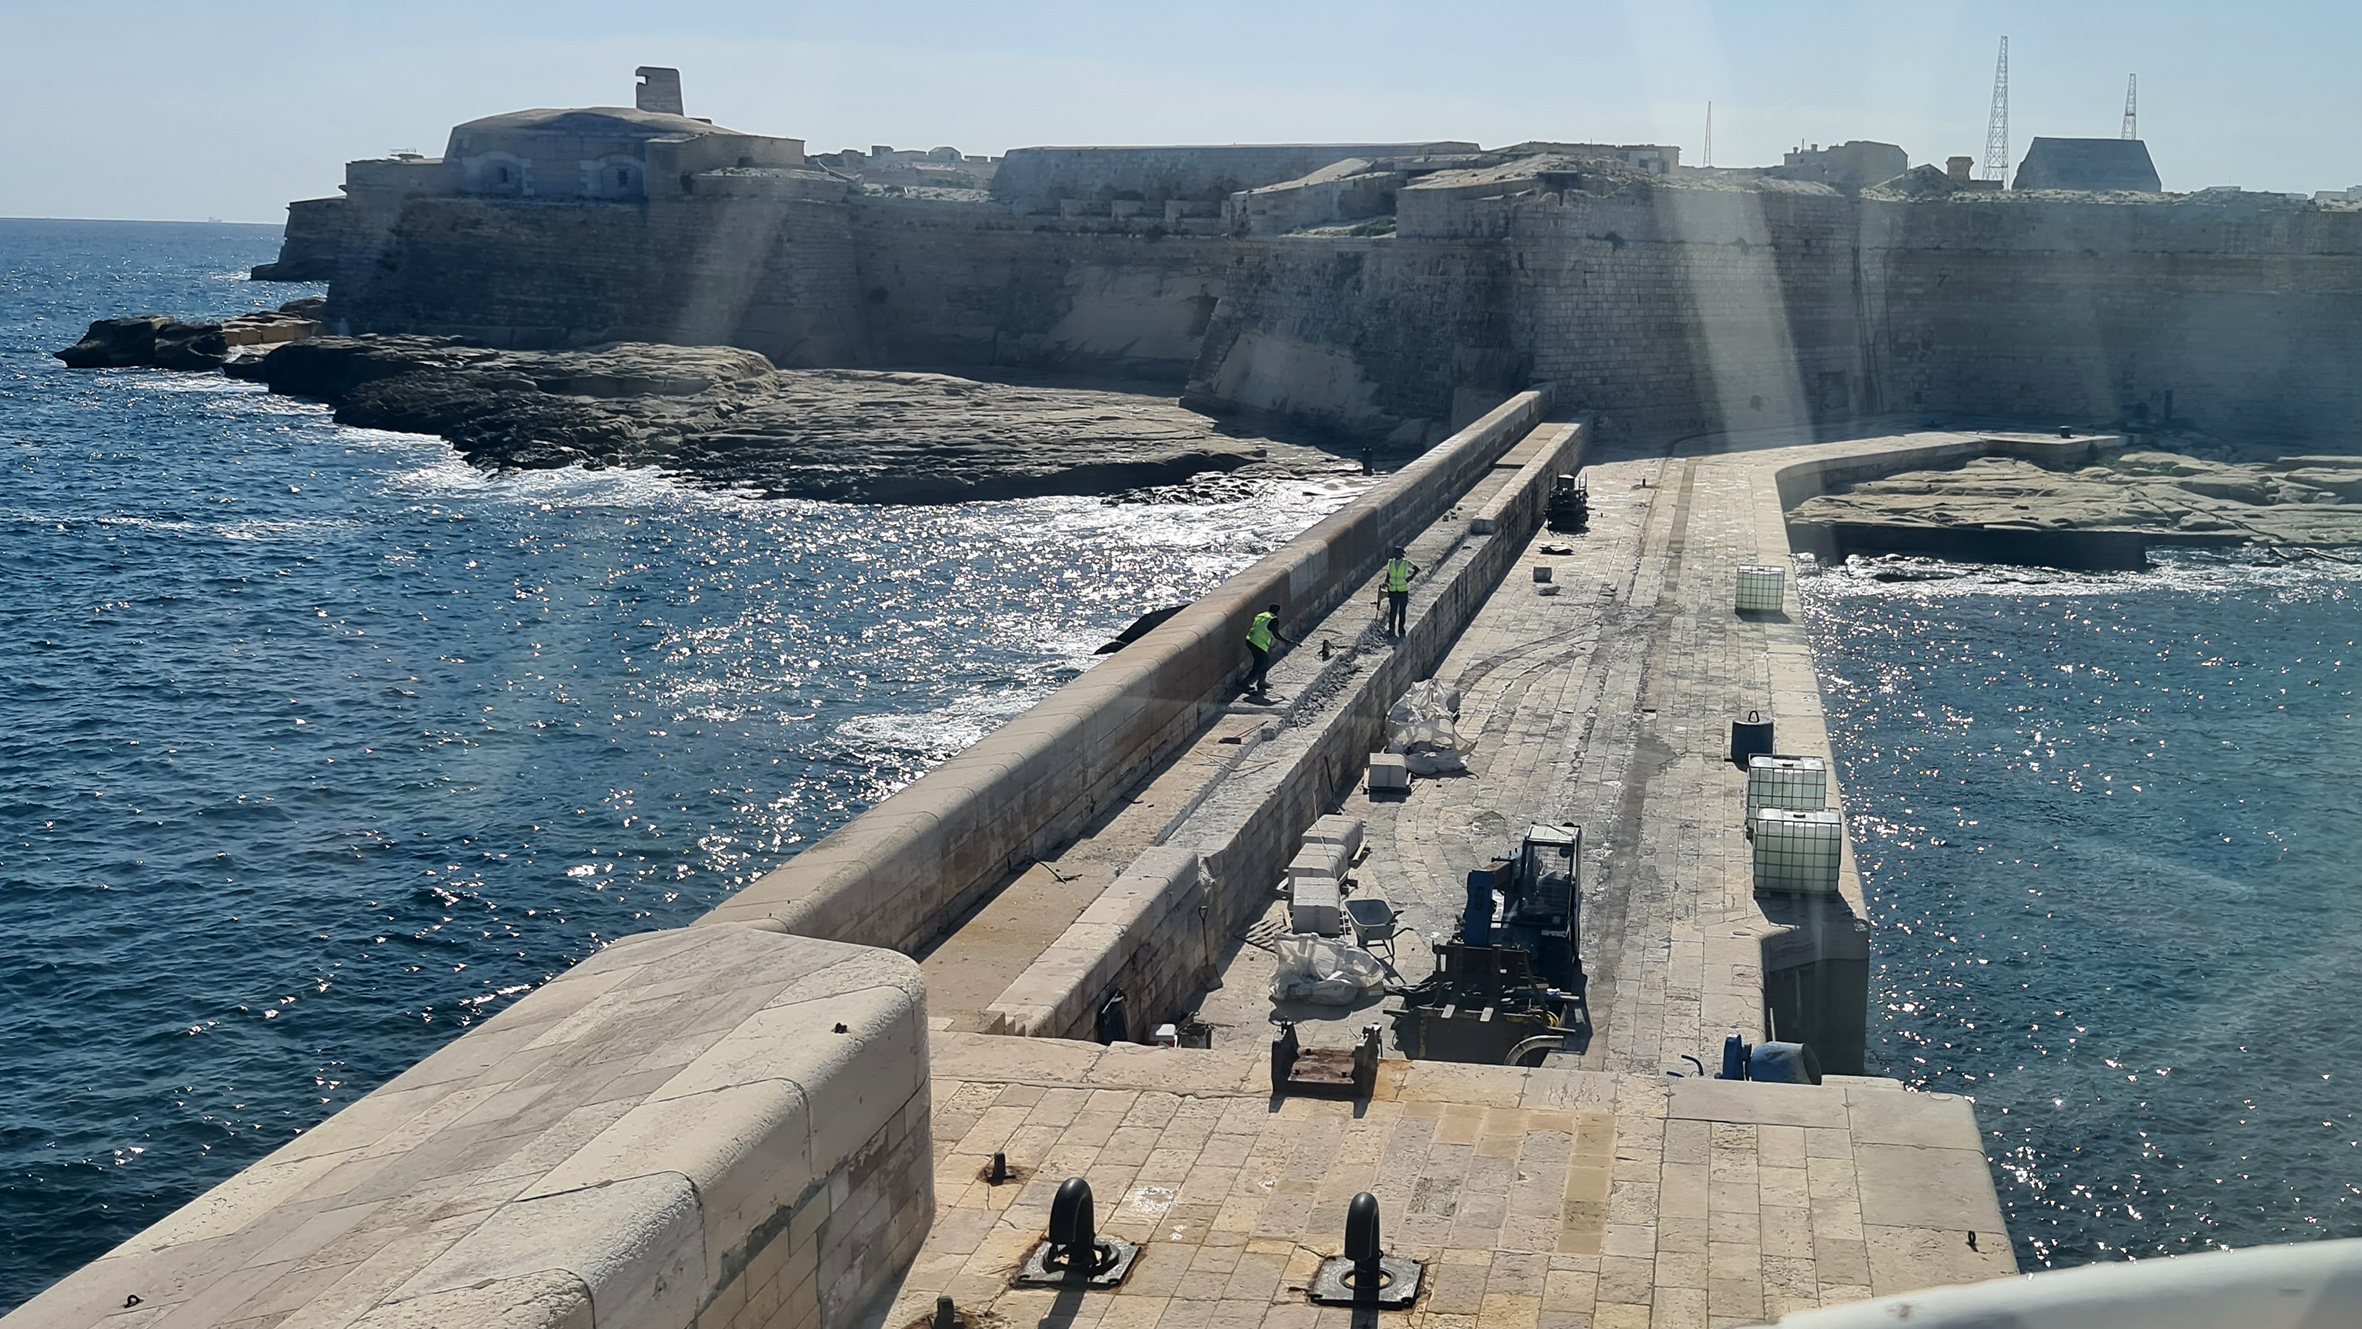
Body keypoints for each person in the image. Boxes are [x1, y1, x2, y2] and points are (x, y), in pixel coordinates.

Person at [1245, 603, 1290, 694]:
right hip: (1258, 643)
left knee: (1265, 660)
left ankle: (1261, 681)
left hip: (1250, 639)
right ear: (1278, 611)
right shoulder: (1273, 619)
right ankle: (1245, 683)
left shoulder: (1262, 615)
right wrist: (1286, 641)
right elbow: (1276, 634)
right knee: (1259, 664)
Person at [1381, 546, 1420, 636]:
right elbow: (1389, 573)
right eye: (1395, 553)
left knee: (1402, 611)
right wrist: (1386, 581)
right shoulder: (1390, 563)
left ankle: (1401, 629)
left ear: (1401, 554)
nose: (1396, 555)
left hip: (1403, 590)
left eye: (1398, 553)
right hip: (1393, 590)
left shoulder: (1406, 563)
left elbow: (1416, 569)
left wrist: (1411, 577)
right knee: (1393, 611)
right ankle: (1391, 629)